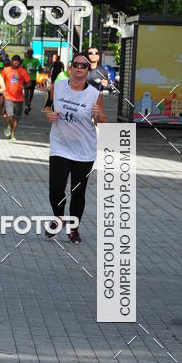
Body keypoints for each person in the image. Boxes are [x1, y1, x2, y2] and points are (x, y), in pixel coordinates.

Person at [43, 53, 106, 244]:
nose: (79, 68)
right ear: (70, 68)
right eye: (76, 65)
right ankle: (59, 217)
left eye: (83, 66)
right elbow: (47, 106)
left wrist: (98, 115)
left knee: (77, 192)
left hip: (84, 151)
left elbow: (103, 122)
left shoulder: (94, 94)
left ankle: (74, 228)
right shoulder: (58, 86)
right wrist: (49, 115)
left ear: (88, 70)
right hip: (60, 146)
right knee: (56, 188)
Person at [1, 54, 30, 140]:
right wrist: (2, 91)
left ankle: (13, 133)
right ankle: (8, 125)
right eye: (14, 61)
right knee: (9, 115)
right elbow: (0, 80)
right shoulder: (6, 70)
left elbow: (29, 82)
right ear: (11, 62)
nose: (16, 63)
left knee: (16, 118)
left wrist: (24, 86)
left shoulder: (23, 71)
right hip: (8, 97)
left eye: (18, 61)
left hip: (19, 99)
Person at [23, 48, 40, 112]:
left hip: (33, 79)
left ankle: (29, 103)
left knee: (31, 93)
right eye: (28, 53)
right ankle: (26, 105)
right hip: (26, 78)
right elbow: (22, 68)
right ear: (27, 53)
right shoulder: (24, 60)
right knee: (26, 93)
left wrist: (35, 70)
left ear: (32, 54)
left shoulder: (36, 60)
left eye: (31, 53)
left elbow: (41, 69)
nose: (29, 54)